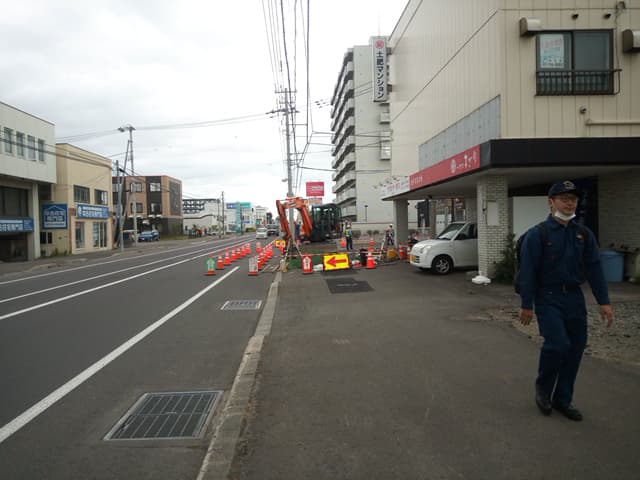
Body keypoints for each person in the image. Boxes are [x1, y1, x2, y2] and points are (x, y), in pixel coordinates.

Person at [518, 180, 614, 421]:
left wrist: (604, 301)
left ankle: (563, 398)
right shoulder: (538, 234)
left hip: (574, 297)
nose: (570, 203)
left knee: (576, 347)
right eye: (564, 198)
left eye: (573, 199)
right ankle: (543, 390)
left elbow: (594, 268)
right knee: (558, 344)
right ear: (551, 202)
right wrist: (527, 305)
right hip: (548, 297)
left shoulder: (583, 234)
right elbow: (528, 272)